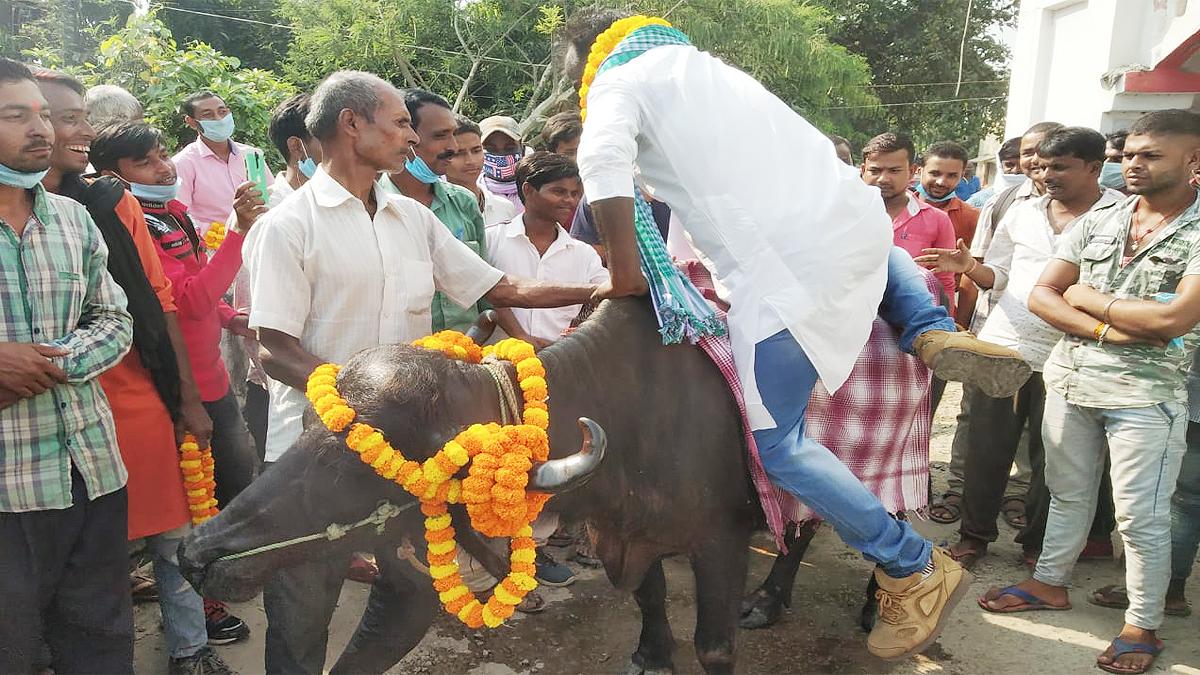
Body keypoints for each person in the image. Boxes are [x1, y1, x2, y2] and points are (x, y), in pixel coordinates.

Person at [561, 11, 1031, 660]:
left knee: (778, 442)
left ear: (589, 60)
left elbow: (603, 161)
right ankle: (928, 330)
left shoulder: (619, 83)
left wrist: (620, 274)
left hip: (788, 272)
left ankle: (914, 565)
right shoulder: (714, 71)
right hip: (867, 238)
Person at [245, 70, 599, 674]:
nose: (415, 139)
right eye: (402, 123)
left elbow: (497, 286)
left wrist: (606, 286)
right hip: (317, 451)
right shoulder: (287, 225)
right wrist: (360, 403)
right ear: (352, 124)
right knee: (304, 610)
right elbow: (272, 347)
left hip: (407, 454)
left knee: (411, 596)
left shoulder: (411, 217)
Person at [979, 109, 1200, 675]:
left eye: (1151, 155)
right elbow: (1042, 295)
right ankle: (1051, 583)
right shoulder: (1102, 218)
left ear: (1193, 161)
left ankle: (1141, 623)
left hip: (1145, 395)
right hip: (1071, 378)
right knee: (1066, 493)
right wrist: (1112, 325)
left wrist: (1088, 298)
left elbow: (1175, 320)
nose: (1134, 164)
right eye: (1130, 154)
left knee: (1140, 516)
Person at [36, 68, 237, 675]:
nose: (73, 131)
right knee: (82, 562)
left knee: (172, 537)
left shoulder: (108, 202)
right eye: (56, 117)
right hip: (45, 418)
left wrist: (186, 400)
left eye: (76, 119)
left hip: (136, 394)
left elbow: (160, 303)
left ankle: (189, 648)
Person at [917, 126, 1124, 571]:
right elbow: (1000, 274)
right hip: (1006, 347)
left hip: (1070, 354)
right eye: (1044, 165)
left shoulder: (1119, 214)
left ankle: (1036, 544)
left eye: (1059, 167)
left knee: (1052, 457)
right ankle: (974, 536)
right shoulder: (1022, 210)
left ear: (1094, 167)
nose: (1047, 174)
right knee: (986, 450)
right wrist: (970, 267)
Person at [90, 120, 259, 647]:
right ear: (114, 175)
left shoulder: (173, 214)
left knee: (233, 480)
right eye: (146, 162)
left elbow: (202, 287)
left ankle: (216, 584)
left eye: (163, 154)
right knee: (198, 498)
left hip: (212, 372)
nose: (164, 166)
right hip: (184, 384)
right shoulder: (129, 224)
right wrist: (238, 233)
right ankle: (199, 607)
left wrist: (232, 317)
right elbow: (184, 301)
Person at [0, 57, 135, 675]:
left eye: (42, 115)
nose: (41, 130)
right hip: (9, 488)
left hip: (93, 470)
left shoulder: (73, 219)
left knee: (100, 637)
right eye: (15, 115)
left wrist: (56, 361)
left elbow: (115, 320)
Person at [931, 122, 1065, 526]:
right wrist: (967, 308)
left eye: (1044, 154)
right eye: (1028, 153)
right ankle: (963, 497)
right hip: (1001, 335)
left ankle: (1021, 497)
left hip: (1062, 345)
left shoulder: (1109, 210)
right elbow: (989, 271)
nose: (1035, 162)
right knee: (978, 424)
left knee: (1041, 435)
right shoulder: (1006, 203)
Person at [861, 132, 958, 311]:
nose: (883, 179)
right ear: (862, 171)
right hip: (851, 323)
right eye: (875, 171)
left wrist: (944, 330)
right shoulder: (846, 217)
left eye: (894, 170)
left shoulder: (937, 220)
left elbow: (944, 283)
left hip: (909, 326)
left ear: (912, 171)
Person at [172, 90, 273, 235]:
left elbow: (272, 196)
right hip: (215, 248)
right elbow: (180, 217)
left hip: (258, 240)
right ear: (192, 122)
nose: (218, 119)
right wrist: (221, 232)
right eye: (208, 115)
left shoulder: (252, 155)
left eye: (222, 111)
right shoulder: (184, 163)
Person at [446, 114, 519, 226]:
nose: (470, 161)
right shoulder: (432, 210)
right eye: (458, 153)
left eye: (476, 150)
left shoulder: (504, 208)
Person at [916, 141, 980, 257]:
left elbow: (973, 263)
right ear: (919, 171)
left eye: (951, 176)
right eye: (935, 173)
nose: (941, 182)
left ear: (961, 176)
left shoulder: (972, 217)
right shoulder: (896, 208)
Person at [478, 114, 525, 214]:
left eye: (509, 148)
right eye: (491, 149)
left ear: (521, 147)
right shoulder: (473, 195)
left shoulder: (537, 190)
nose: (501, 156)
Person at [966, 136, 1023, 208]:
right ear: (1000, 166)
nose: (1016, 170)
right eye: (1009, 165)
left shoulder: (1039, 201)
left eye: (1022, 165)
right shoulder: (978, 202)